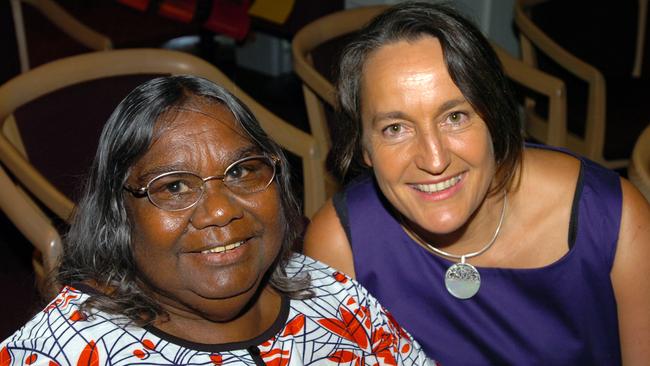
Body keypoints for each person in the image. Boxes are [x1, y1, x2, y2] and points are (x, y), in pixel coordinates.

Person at [0, 75, 437, 366]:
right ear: (119, 215)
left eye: (242, 172)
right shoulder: (64, 351)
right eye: (173, 187)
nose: (220, 210)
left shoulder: (332, 296)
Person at [303, 2, 650, 365]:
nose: (434, 160)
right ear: (364, 148)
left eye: (455, 116)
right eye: (395, 128)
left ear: (495, 119)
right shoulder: (341, 246)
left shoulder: (612, 219)